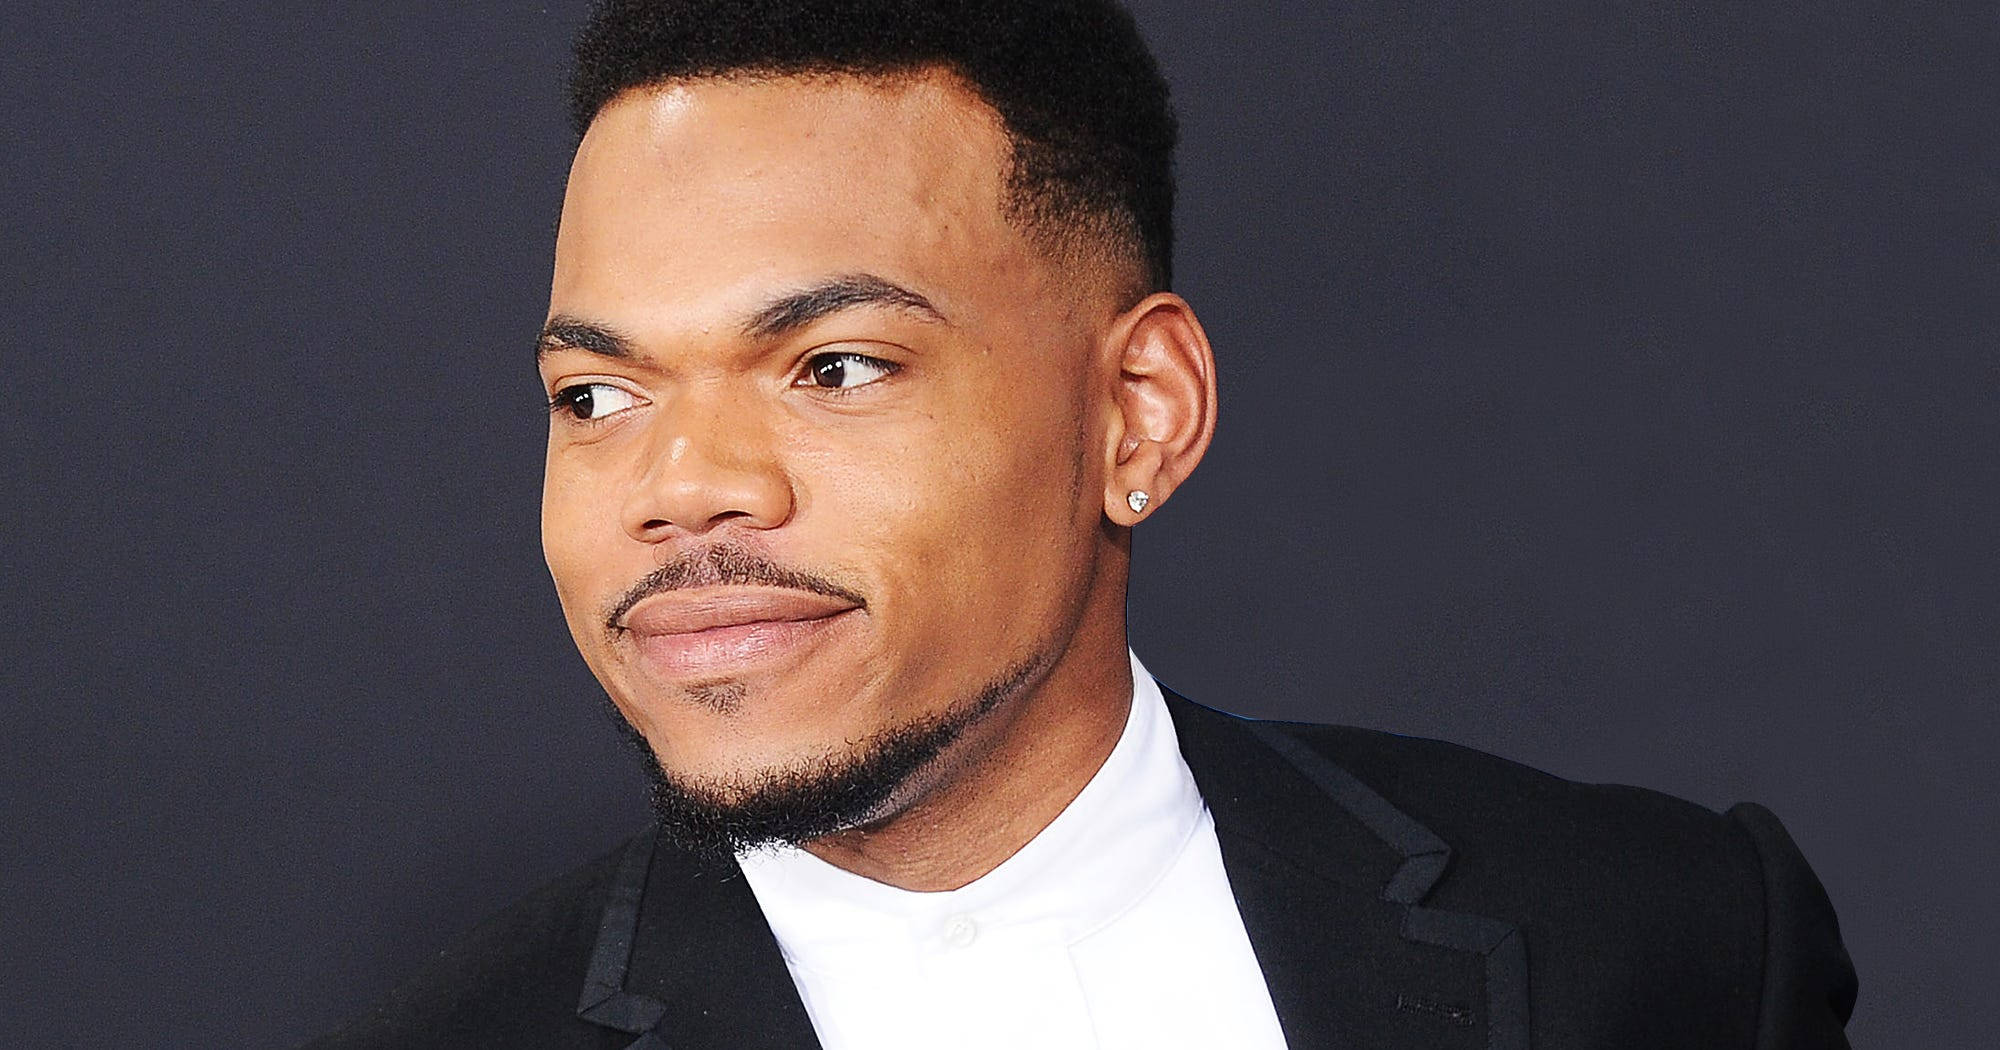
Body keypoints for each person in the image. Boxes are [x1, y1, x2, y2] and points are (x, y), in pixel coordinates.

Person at [310, 1, 1857, 1047]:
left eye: (835, 366)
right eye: (596, 394)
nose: (681, 483)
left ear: (1140, 413)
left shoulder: (1664, 944)